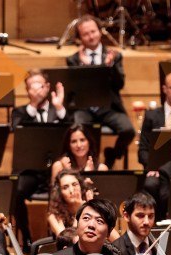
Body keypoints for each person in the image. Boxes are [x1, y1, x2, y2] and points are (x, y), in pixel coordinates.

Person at [11, 69, 71, 247]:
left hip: (54, 170)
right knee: (16, 190)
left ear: (48, 87)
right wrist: (33, 105)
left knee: (67, 187)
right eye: (32, 86)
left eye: (40, 85)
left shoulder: (57, 110)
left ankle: (59, 236)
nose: (36, 90)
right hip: (29, 171)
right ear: (27, 91)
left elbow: (72, 130)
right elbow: (15, 128)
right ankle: (27, 238)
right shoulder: (20, 112)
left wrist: (60, 107)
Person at [65, 15, 134, 168]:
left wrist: (110, 68)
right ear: (79, 38)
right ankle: (90, 165)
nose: (91, 36)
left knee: (128, 130)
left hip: (109, 107)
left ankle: (113, 155)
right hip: (85, 108)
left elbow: (119, 84)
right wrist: (85, 67)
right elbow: (76, 89)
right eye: (85, 34)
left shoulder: (114, 56)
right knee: (78, 129)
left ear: (100, 32)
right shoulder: (74, 60)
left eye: (93, 31)